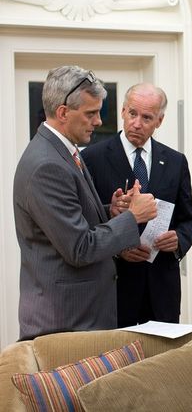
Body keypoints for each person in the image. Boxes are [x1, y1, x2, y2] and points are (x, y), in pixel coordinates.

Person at [13, 66, 158, 340]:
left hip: (79, 318)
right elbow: (80, 248)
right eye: (91, 113)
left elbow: (70, 220)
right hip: (66, 322)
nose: (99, 121)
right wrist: (132, 217)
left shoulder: (62, 151)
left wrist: (111, 211)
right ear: (63, 113)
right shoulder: (47, 164)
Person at [81, 83, 192, 326]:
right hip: (114, 288)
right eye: (132, 114)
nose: (137, 123)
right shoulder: (92, 158)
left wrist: (179, 240)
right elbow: (85, 223)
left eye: (147, 117)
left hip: (162, 290)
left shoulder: (176, 161)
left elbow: (189, 220)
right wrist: (118, 249)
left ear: (160, 120)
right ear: (123, 111)